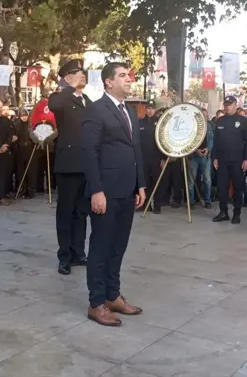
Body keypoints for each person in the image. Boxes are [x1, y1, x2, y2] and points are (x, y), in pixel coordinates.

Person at [81, 62, 146, 327]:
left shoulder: (129, 110)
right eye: (122, 76)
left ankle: (113, 295)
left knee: (118, 245)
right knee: (101, 246)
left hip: (127, 189)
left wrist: (140, 183)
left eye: (128, 76)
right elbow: (89, 152)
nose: (128, 80)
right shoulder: (96, 110)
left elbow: (135, 149)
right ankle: (96, 303)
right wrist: (97, 190)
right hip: (105, 190)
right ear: (108, 82)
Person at [48, 59, 92, 275]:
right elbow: (53, 106)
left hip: (86, 164)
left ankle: (78, 252)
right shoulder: (60, 98)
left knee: (81, 212)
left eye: (83, 72)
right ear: (67, 77)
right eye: (76, 72)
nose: (82, 75)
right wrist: (69, 88)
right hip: (68, 164)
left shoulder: (88, 101)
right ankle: (64, 255)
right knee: (65, 212)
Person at [212, 96, 247, 224]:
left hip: (237, 160)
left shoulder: (243, 121)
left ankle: (237, 213)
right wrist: (215, 157)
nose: (227, 107)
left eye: (230, 104)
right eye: (226, 104)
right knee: (222, 187)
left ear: (235, 105)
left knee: (238, 187)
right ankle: (223, 212)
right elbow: (216, 142)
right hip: (222, 160)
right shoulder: (220, 121)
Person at [139, 101, 165, 213]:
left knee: (157, 181)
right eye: (148, 108)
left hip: (156, 158)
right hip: (143, 158)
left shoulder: (159, 123)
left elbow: (163, 141)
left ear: (155, 110)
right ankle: (146, 204)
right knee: (145, 181)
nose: (150, 111)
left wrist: (163, 158)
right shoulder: (140, 123)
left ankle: (158, 205)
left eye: (152, 108)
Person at [187, 107, 213, 209]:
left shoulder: (209, 127)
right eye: (202, 115)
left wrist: (208, 149)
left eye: (206, 116)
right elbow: (188, 140)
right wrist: (195, 149)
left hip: (206, 157)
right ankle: (191, 201)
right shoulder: (192, 126)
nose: (204, 117)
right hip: (193, 156)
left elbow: (211, 140)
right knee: (191, 181)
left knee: (207, 180)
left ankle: (207, 201)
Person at [14, 108, 39, 199]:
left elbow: (36, 136)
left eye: (25, 115)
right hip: (20, 150)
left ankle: (31, 190)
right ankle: (22, 189)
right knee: (21, 171)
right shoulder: (16, 124)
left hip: (30, 149)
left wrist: (36, 140)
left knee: (31, 171)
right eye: (22, 116)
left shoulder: (31, 125)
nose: (24, 118)